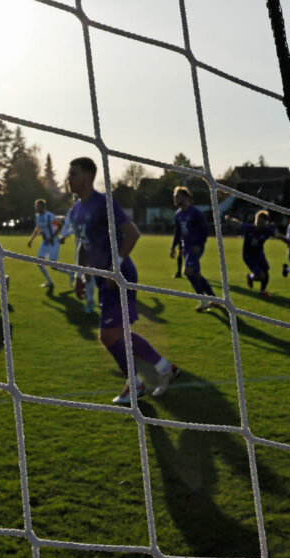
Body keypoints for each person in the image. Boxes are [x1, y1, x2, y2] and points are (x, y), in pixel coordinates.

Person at [67, 157, 179, 405]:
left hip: (119, 277)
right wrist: (79, 275)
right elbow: (82, 245)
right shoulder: (75, 210)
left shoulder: (103, 203)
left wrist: (114, 266)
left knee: (108, 336)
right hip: (102, 278)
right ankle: (163, 369)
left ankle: (136, 383)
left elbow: (133, 233)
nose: (69, 177)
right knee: (119, 334)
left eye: (73, 173)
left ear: (87, 176)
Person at [170, 187, 216, 312]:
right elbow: (177, 233)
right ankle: (214, 298)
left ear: (185, 197)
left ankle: (203, 301)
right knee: (196, 274)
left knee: (187, 271)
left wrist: (200, 244)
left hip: (195, 248)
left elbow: (205, 230)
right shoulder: (178, 214)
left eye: (177, 196)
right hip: (186, 248)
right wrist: (173, 247)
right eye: (174, 196)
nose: (175, 198)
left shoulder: (195, 212)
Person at [225, 209, 275, 297]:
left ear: (265, 223)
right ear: (255, 220)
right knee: (261, 276)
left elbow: (279, 235)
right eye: (258, 221)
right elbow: (239, 223)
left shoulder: (267, 230)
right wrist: (230, 219)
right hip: (248, 256)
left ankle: (262, 291)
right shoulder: (249, 228)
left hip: (260, 254)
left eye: (261, 222)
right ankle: (250, 277)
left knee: (266, 273)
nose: (259, 223)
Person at [60, 193, 96, 313]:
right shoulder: (72, 212)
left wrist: (65, 235)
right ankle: (89, 299)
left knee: (89, 272)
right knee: (84, 273)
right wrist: (64, 235)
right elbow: (67, 226)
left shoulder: (90, 210)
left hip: (92, 244)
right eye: (75, 199)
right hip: (79, 245)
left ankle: (90, 300)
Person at [26, 198, 71, 289]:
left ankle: (70, 272)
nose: (37, 208)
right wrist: (31, 240)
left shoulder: (49, 216)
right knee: (39, 261)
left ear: (44, 207)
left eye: (39, 206)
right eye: (36, 206)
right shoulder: (38, 216)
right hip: (45, 242)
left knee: (53, 266)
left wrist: (52, 237)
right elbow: (38, 228)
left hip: (53, 242)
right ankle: (50, 282)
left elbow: (59, 226)